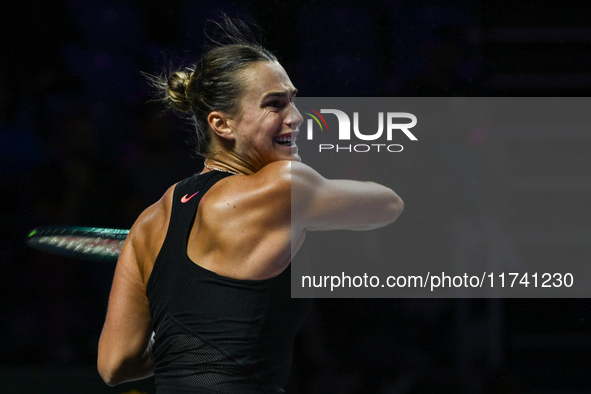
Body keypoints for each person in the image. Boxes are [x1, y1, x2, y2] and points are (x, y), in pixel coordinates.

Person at [97, 17, 404, 393]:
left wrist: (191, 337)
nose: (296, 117)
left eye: (293, 100)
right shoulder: (285, 186)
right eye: (274, 105)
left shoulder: (147, 224)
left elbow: (116, 364)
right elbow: (388, 204)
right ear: (221, 124)